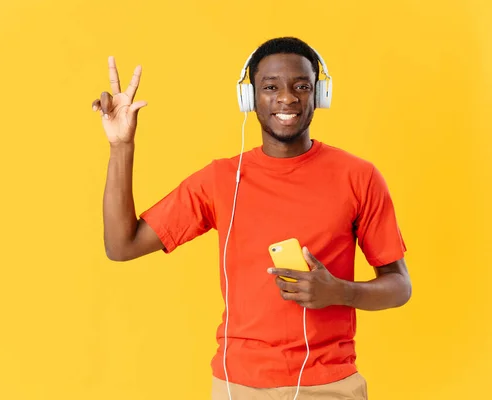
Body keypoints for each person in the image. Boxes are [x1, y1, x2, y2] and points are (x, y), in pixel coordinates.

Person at [92, 36, 412, 400]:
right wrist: (121, 146)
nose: (287, 98)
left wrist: (339, 291)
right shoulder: (220, 179)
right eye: (270, 87)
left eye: (301, 86)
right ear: (249, 99)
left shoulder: (359, 177)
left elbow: (399, 286)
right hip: (239, 386)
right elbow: (122, 246)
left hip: (331, 386)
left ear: (319, 95)